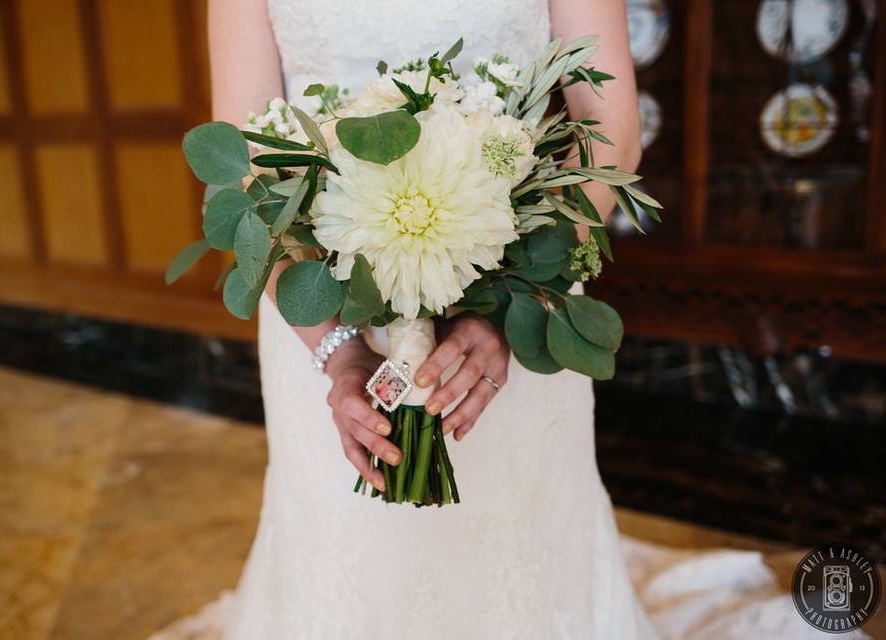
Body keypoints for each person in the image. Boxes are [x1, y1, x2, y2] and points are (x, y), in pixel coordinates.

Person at [210, 1, 654, 638]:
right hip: (321, 290)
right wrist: (335, 349)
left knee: (516, 537)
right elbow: (242, 170)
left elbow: (610, 127)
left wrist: (509, 306)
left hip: (520, 274)